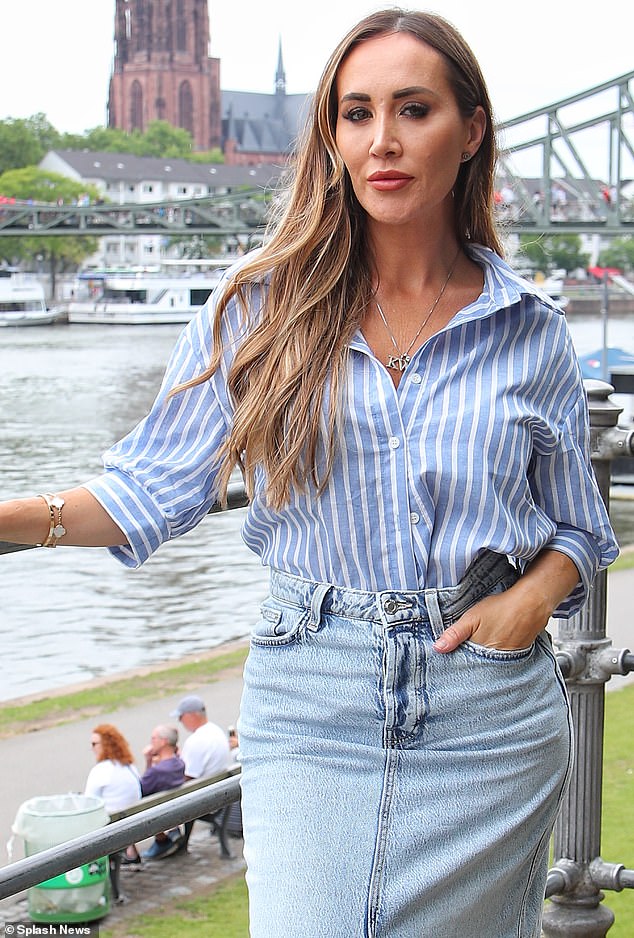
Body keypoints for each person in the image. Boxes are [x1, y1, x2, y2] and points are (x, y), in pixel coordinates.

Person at [0, 9, 619, 937]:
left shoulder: (530, 326)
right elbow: (149, 489)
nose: (383, 141)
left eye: (413, 109)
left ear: (473, 128)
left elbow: (581, 527)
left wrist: (532, 602)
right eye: (355, 113)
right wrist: (13, 516)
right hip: (314, 696)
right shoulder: (259, 305)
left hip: (489, 711)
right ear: (330, 135)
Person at [125, 724, 186, 863]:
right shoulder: (179, 764)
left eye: (153, 738)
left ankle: (132, 853)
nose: (151, 741)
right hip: (175, 809)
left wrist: (148, 761)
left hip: (156, 812)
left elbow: (140, 790)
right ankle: (168, 834)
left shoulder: (157, 771)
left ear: (163, 741)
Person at [170, 695, 231, 780]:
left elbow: (187, 777)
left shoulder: (195, 741)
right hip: (218, 783)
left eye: (181, 717)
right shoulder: (217, 731)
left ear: (190, 715)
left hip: (204, 789)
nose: (179, 721)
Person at [84, 724, 141, 814]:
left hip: (112, 824)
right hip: (133, 819)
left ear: (106, 745)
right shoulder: (130, 767)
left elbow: (88, 805)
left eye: (94, 744)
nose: (92, 748)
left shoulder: (100, 770)